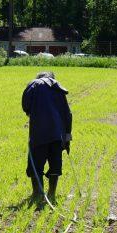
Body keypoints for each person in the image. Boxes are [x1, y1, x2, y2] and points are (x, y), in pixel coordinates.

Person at [22, 71, 72, 202]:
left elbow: (25, 105)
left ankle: (37, 194)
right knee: (55, 163)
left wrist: (32, 113)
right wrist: (67, 139)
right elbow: (68, 114)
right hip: (58, 135)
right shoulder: (58, 87)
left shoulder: (34, 84)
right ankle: (51, 194)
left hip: (39, 133)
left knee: (35, 164)